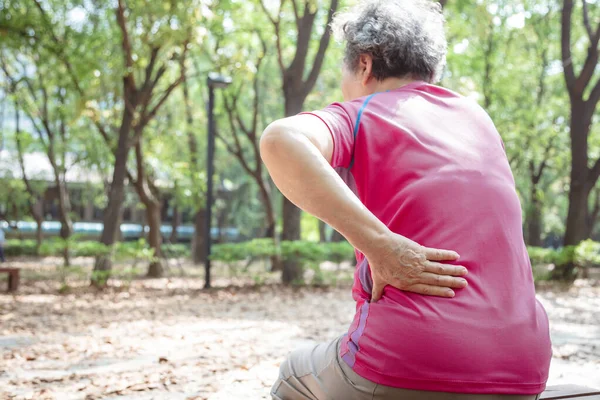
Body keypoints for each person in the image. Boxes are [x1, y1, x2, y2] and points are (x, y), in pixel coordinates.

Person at [260, 0, 552, 399]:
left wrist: (379, 245)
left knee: (295, 373)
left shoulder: (360, 113)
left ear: (364, 65)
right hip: (524, 371)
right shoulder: (477, 119)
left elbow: (281, 140)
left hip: (406, 362)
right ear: (431, 71)